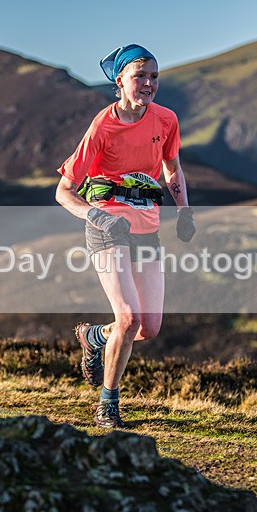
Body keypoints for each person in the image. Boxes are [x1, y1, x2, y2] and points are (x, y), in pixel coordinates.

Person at [55, 44, 196, 428]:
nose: (148, 83)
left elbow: (173, 168)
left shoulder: (166, 120)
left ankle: (95, 337)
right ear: (120, 82)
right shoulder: (103, 126)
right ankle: (108, 403)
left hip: (146, 231)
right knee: (130, 319)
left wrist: (184, 211)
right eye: (140, 77)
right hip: (108, 231)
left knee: (148, 327)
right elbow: (64, 191)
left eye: (154, 76)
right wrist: (98, 217)